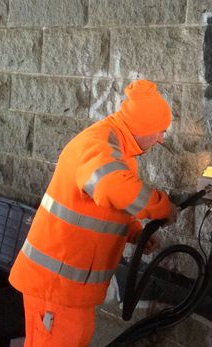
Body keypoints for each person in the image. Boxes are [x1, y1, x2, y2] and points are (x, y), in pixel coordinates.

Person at [9, 79, 178, 347]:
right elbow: (111, 186)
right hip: (56, 287)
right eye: (160, 131)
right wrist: (162, 206)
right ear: (143, 126)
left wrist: (133, 232)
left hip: (68, 288)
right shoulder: (100, 144)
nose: (161, 139)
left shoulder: (116, 147)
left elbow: (102, 203)